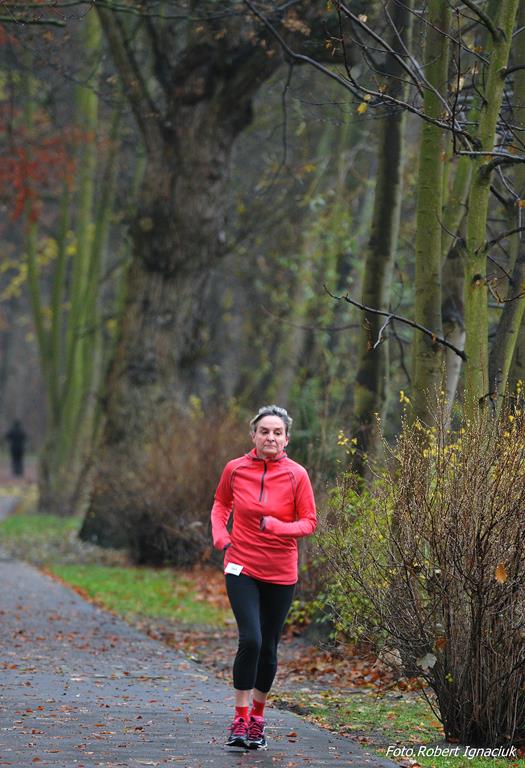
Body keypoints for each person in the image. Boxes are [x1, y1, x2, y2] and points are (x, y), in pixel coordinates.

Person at [211, 404, 317, 751]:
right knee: (251, 640)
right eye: (264, 431)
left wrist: (278, 527)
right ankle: (240, 718)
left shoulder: (297, 475)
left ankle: (257, 718)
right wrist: (221, 536)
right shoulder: (235, 469)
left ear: (286, 439)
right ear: (253, 436)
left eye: (277, 432)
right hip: (241, 565)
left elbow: (309, 522)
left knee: (269, 646)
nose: (270, 437)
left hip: (281, 572)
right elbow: (221, 504)